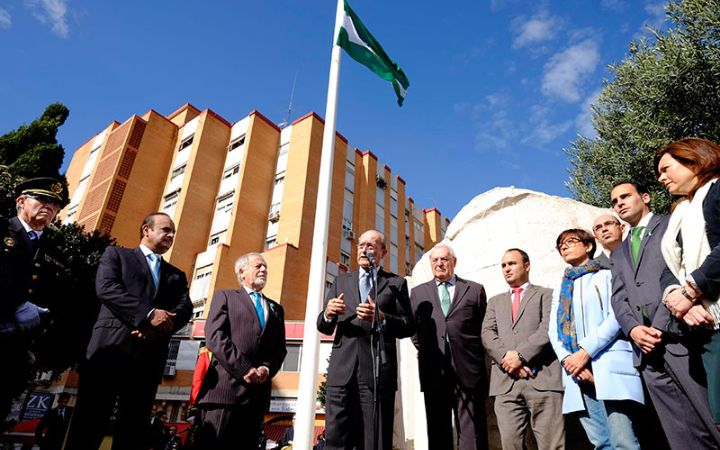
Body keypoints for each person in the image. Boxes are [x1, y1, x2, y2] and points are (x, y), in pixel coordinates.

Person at [65, 212, 193, 450]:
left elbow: (185, 308)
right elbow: (106, 289)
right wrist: (147, 316)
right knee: (89, 422)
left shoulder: (176, 274)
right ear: (146, 230)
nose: (171, 235)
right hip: (109, 351)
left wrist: (157, 328)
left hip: (149, 358)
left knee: (134, 428)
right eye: (166, 229)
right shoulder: (116, 255)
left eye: (173, 232)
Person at [610, 180, 720, 447]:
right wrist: (634, 330)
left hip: (681, 338)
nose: (619, 204)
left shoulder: (672, 224)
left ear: (645, 197)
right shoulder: (618, 251)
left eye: (625, 196)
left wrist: (659, 324)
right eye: (614, 201)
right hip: (646, 352)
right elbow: (618, 297)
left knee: (711, 419)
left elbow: (681, 270)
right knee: (680, 433)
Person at [317, 229, 414, 450]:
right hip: (343, 371)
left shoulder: (395, 284)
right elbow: (323, 326)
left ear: (382, 252)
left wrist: (381, 317)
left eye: (371, 246)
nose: (364, 249)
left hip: (377, 371)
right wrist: (328, 313)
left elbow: (408, 326)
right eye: (361, 245)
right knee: (336, 437)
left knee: (375, 439)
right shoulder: (341, 282)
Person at [548, 228, 643, 449]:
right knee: (600, 442)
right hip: (576, 372)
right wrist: (569, 361)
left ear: (588, 245)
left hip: (607, 363)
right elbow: (553, 330)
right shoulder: (561, 287)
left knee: (623, 440)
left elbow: (616, 316)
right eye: (560, 245)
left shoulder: (607, 275)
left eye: (570, 241)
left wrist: (586, 351)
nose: (565, 246)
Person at [656, 138, 720, 431]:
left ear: (693, 161)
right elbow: (669, 269)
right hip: (703, 330)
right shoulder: (680, 213)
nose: (661, 177)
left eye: (666, 168)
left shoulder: (717, 191)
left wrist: (693, 289)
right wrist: (678, 300)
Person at [195, 252, 287, 450]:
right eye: (258, 266)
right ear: (242, 271)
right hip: (224, 392)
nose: (264, 270)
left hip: (256, 397)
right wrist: (244, 368)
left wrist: (266, 369)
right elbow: (215, 337)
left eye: (265, 267)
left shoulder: (276, 308)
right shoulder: (226, 297)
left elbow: (279, 349)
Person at [1, 177, 67, 430]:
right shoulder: (3, 229)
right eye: (42, 200)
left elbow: (59, 299)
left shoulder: (55, 249)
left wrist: (41, 319)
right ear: (21, 201)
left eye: (55, 204)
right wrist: (15, 307)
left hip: (17, 349)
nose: (49, 207)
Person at [481, 248, 564, 450]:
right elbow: (487, 333)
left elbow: (548, 329)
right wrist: (507, 360)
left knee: (551, 444)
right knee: (510, 445)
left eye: (512, 263)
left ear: (526, 266)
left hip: (542, 379)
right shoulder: (494, 301)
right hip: (505, 383)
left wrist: (520, 356)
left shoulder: (547, 294)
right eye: (503, 265)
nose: (507, 269)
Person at [411, 243, 488, 450]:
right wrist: (427, 351)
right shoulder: (418, 293)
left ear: (454, 262)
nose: (439, 263)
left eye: (444, 259)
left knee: (471, 429)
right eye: (435, 260)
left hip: (468, 369)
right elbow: (414, 330)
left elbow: (484, 328)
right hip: (434, 369)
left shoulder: (474, 289)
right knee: (437, 429)